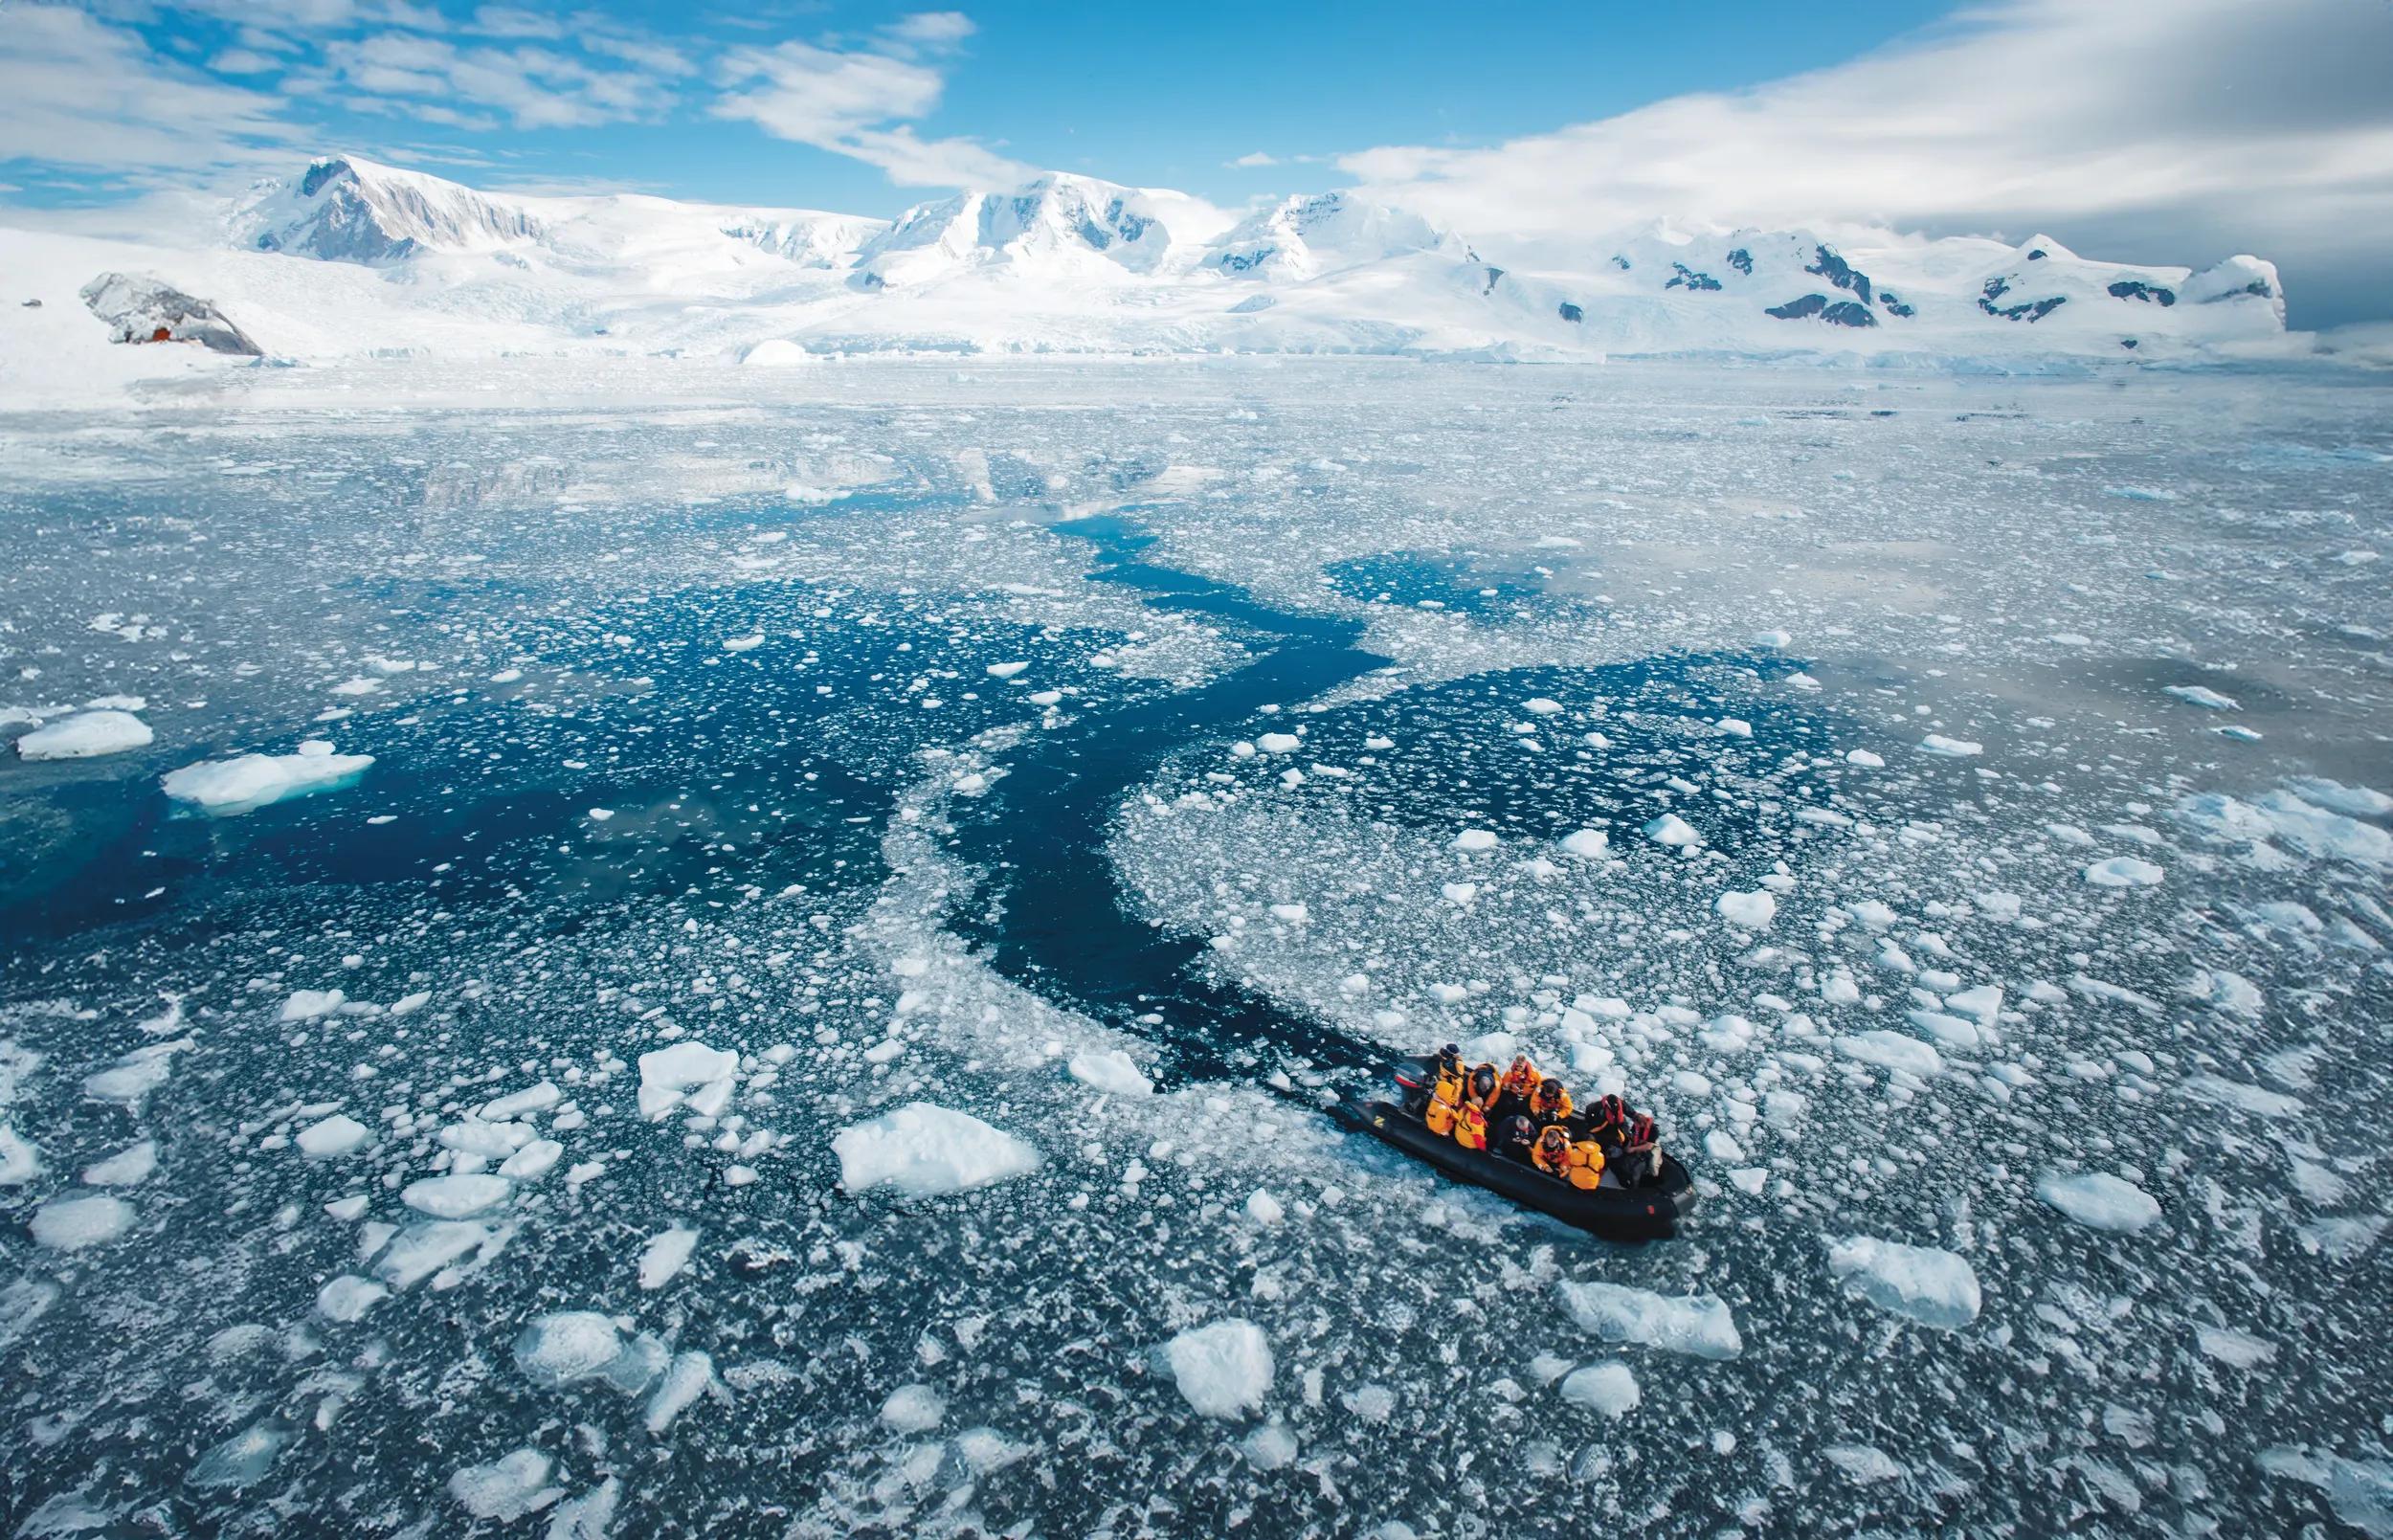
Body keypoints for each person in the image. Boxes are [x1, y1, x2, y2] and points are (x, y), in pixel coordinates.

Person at [1421, 1046, 1467, 1137]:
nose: (1458, 1055)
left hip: (1451, 1088)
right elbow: (1459, 1073)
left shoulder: (1449, 1060)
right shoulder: (1448, 1063)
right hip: (1447, 1090)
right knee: (1444, 1109)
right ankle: (1441, 1130)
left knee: (1447, 1108)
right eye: (1456, 1053)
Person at [1612, 1113, 1663, 1188]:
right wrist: (1628, 1146)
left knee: (1653, 1165)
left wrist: (1633, 1149)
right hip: (1639, 1142)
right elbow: (1632, 1137)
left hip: (1652, 1145)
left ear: (1642, 1123)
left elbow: (1649, 1146)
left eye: (1637, 1124)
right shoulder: (1635, 1126)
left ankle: (1654, 1177)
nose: (1635, 1125)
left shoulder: (1654, 1130)